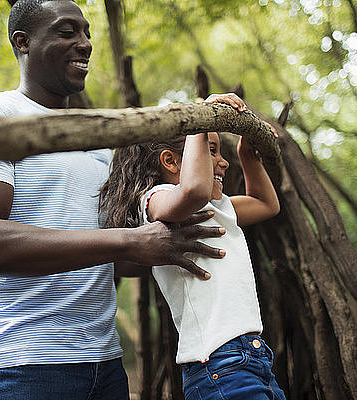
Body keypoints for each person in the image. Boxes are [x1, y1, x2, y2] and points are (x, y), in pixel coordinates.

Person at [0, 1, 228, 399]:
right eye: (66, 32)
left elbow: (113, 258)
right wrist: (130, 241)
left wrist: (173, 245)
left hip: (103, 365)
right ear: (22, 43)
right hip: (18, 364)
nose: (85, 44)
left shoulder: (99, 140)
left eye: (87, 33)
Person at [99, 93, 286, 400]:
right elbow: (194, 190)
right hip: (218, 363)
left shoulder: (220, 205)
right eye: (211, 149)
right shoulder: (156, 199)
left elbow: (267, 204)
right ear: (171, 161)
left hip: (253, 357)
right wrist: (201, 118)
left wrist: (249, 155)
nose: (224, 162)